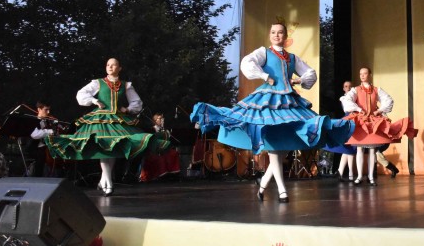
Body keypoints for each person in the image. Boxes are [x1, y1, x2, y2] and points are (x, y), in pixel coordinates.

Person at [191, 22, 354, 203]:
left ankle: (262, 185)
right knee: (275, 149)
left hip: (289, 102)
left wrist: (298, 80)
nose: (277, 35)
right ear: (270, 35)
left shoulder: (292, 58)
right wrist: (263, 76)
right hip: (268, 101)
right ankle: (282, 191)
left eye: (280, 32)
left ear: (285, 36)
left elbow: (310, 73)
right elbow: (248, 62)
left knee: (282, 149)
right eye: (273, 32)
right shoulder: (264, 52)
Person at [45, 58, 170, 195]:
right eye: (108, 65)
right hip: (101, 120)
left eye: (113, 65)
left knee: (112, 148)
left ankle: (103, 180)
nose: (110, 67)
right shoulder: (98, 83)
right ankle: (109, 183)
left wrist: (128, 109)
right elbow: (81, 94)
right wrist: (94, 100)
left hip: (118, 119)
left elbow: (137, 102)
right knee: (104, 149)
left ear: (119, 68)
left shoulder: (125, 85)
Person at [341, 67, 416, 186]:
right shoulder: (356, 90)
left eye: (365, 73)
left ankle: (370, 177)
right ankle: (359, 176)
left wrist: (379, 110)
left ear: (370, 75)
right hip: (361, 121)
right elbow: (347, 100)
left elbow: (388, 100)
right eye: (360, 74)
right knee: (359, 148)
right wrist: (359, 109)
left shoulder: (376, 90)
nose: (362, 76)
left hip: (373, 121)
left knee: (372, 150)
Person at [326, 80, 357, 183]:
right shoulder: (344, 98)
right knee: (350, 148)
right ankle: (349, 174)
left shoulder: (355, 96)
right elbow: (349, 109)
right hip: (348, 120)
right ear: (343, 88)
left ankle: (341, 171)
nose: (348, 88)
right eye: (346, 86)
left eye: (350, 86)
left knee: (349, 148)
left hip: (354, 120)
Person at [139, 113, 180, 182]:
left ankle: (172, 174)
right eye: (160, 118)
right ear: (155, 120)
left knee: (173, 153)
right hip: (154, 150)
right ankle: (161, 175)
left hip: (164, 150)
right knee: (160, 157)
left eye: (162, 118)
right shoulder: (151, 130)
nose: (162, 120)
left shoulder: (166, 130)